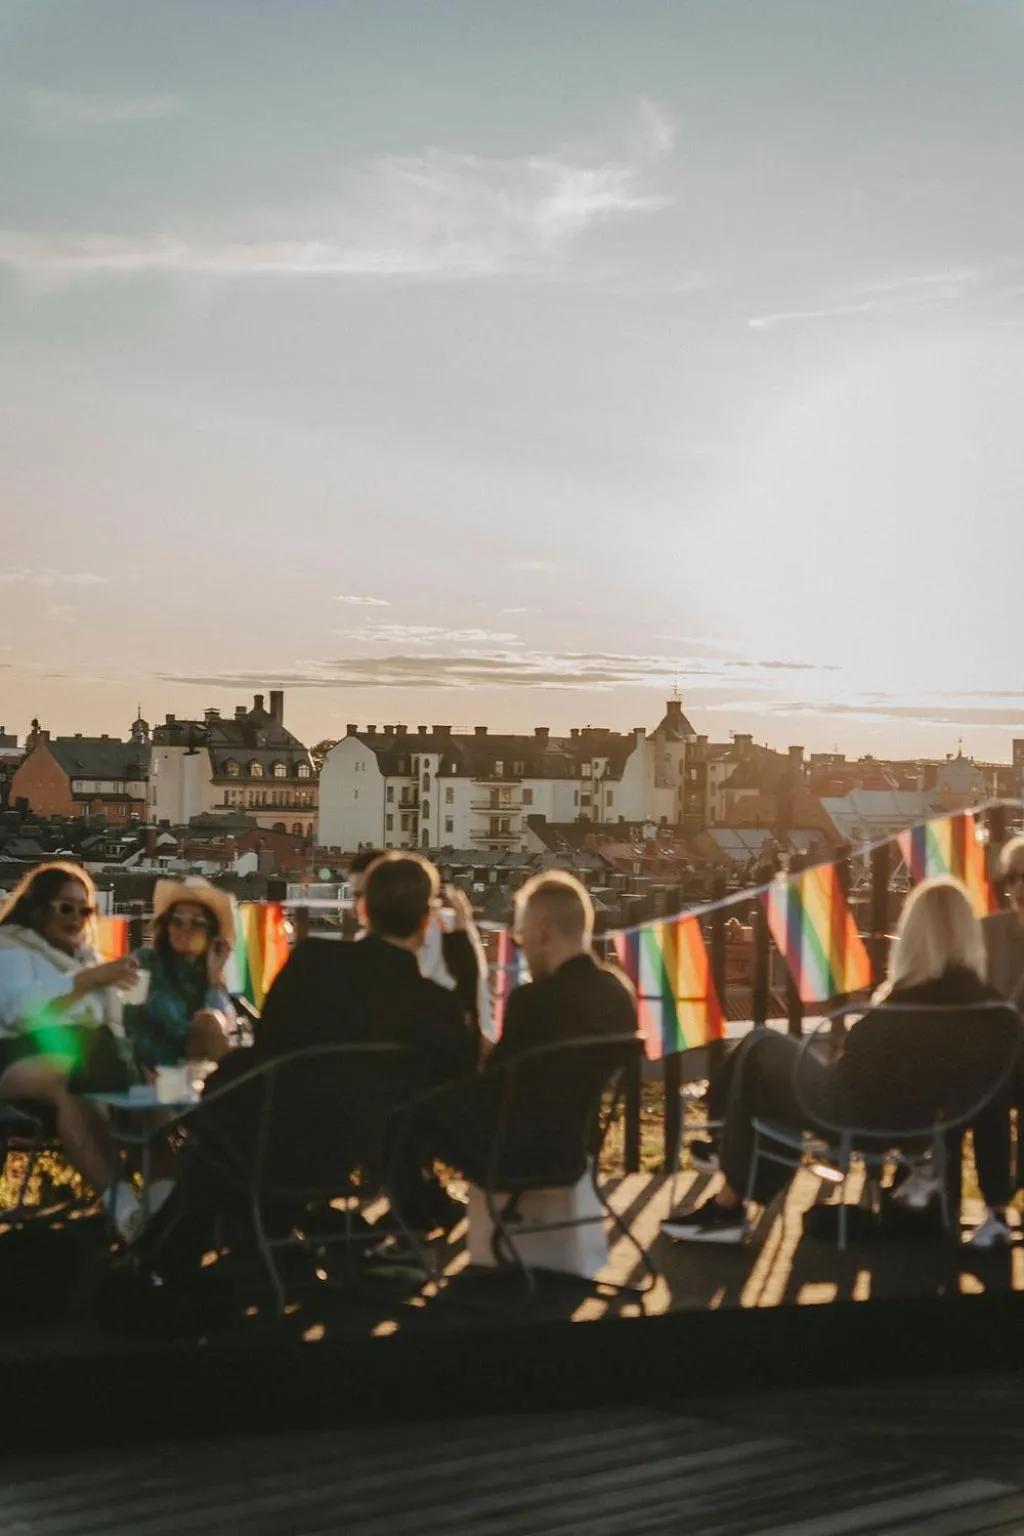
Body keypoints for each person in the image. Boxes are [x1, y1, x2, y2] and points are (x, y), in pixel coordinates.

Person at [667, 877, 1022, 1249]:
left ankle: (723, 1155)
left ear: (915, 934)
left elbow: (855, 1070)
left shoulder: (905, 1003)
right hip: (918, 1131)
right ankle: (727, 1179)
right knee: (763, 1078)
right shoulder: (994, 1014)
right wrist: (996, 1204)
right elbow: (990, 1110)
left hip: (853, 1115)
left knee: (761, 1044)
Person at [0, 861, 137, 1194]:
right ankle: (121, 1206)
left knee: (153, 1087)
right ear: (37, 909)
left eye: (84, 910)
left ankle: (165, 1202)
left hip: (87, 1054)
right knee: (72, 1078)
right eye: (65, 908)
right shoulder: (12, 948)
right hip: (21, 1054)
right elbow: (20, 1012)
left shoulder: (87, 958)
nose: (76, 918)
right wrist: (89, 981)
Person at [488, 871, 637, 1067]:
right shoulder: (619, 993)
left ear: (544, 932)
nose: (521, 948)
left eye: (521, 936)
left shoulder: (531, 1002)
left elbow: (492, 1085)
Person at [346, 848, 491, 1038]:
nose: (355, 908)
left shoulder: (450, 933)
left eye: (362, 896)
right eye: (354, 896)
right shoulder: (457, 937)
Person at [123, 877, 234, 1071]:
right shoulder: (145, 962)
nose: (185, 930)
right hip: (152, 1071)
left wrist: (215, 980)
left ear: (211, 933)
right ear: (166, 926)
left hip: (200, 1077)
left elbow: (220, 1037)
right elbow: (134, 1023)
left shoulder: (211, 975)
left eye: (197, 923)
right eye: (176, 921)